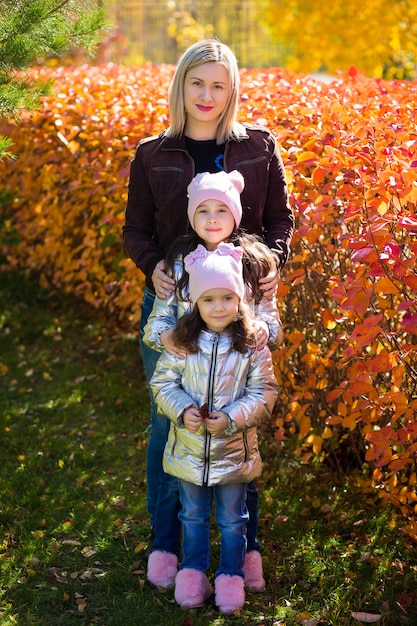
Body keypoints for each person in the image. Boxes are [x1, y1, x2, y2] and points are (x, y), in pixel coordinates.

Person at [122, 38, 293, 588]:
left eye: (218, 84)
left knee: (242, 425)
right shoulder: (153, 152)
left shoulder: (259, 147)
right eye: (197, 82)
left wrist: (271, 264)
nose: (207, 95)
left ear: (232, 89)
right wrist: (152, 267)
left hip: (238, 310)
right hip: (175, 309)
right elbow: (136, 230)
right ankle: (168, 545)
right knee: (171, 419)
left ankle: (245, 551)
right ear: (181, 86)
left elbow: (279, 222)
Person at [144, 169, 283, 592]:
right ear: (191, 216)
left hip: (235, 384)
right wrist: (169, 337)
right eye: (202, 210)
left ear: (236, 213)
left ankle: (244, 557)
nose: (212, 218)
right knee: (182, 470)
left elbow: (271, 322)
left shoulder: (255, 262)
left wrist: (261, 331)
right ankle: (172, 550)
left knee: (240, 481)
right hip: (190, 379)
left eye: (221, 209)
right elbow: (156, 326)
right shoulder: (176, 263)